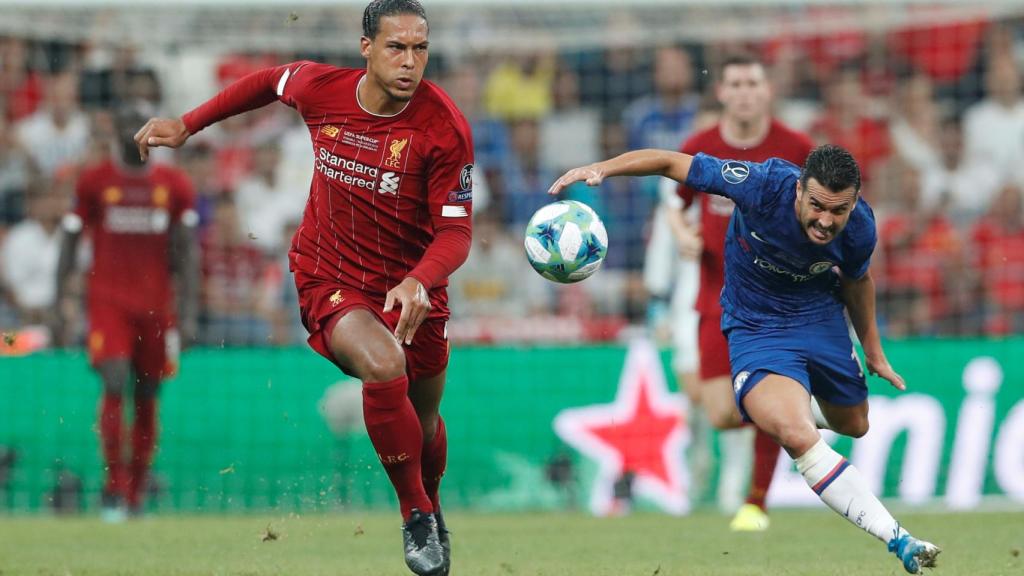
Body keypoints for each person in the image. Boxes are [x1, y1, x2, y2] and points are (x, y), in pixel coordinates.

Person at [133, 2, 472, 574]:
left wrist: (420, 280)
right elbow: (269, 81)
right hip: (330, 274)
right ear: (367, 48)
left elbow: (457, 232)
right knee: (383, 364)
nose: (409, 62)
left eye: (420, 49)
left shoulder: (444, 127)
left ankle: (431, 507)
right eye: (396, 47)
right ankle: (415, 515)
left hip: (412, 288)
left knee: (426, 421)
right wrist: (188, 124)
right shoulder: (321, 88)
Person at [549, 145, 940, 574]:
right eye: (816, 206)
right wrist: (603, 168)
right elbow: (671, 163)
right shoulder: (761, 185)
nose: (826, 221)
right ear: (798, 190)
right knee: (796, 434)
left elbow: (857, 281)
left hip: (819, 320)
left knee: (855, 424)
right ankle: (898, 539)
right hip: (758, 328)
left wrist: (873, 352)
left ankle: (785, 406)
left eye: (838, 210)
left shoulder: (861, 227)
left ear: (854, 203)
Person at [672, 52, 814, 530]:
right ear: (722, 93)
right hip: (716, 295)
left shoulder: (796, 147)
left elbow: (825, 208)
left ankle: (756, 501)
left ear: (767, 90)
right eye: (735, 84)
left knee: (765, 399)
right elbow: (675, 203)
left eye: (753, 83)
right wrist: (681, 233)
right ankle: (795, 410)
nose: (745, 92)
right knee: (721, 412)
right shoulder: (701, 146)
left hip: (776, 300)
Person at [55, 106, 199, 522]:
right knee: (115, 379)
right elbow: (69, 238)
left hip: (156, 307)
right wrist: (58, 300)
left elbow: (187, 252)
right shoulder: (94, 181)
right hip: (108, 303)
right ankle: (114, 488)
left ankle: (136, 490)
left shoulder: (173, 185)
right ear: (114, 130)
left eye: (140, 124)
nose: (132, 131)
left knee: (149, 393)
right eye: (124, 124)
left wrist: (189, 312)